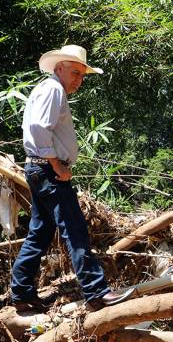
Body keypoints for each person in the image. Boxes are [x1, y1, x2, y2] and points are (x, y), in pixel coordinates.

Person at [10, 45, 133, 313]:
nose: (78, 80)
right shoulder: (53, 89)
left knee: (40, 233)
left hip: (38, 169)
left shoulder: (47, 89)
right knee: (74, 229)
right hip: (47, 169)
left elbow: (38, 129)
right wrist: (57, 165)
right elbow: (39, 129)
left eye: (82, 75)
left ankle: (21, 293)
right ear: (59, 68)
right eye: (75, 73)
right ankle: (96, 292)